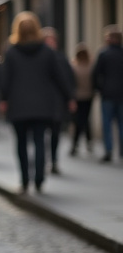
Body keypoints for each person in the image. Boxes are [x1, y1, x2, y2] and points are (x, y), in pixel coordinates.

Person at [0, 12, 74, 194]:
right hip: (42, 106)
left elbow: (5, 80)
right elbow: (60, 77)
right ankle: (39, 179)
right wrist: (69, 97)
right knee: (40, 141)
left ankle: (25, 180)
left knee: (21, 143)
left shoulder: (11, 52)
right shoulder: (47, 51)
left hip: (18, 106)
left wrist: (3, 99)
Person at [41, 27, 74, 174]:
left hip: (57, 103)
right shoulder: (38, 59)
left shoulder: (61, 59)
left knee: (55, 134)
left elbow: (67, 80)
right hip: (41, 103)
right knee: (40, 134)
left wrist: (70, 98)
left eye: (52, 41)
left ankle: (53, 160)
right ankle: (41, 160)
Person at [92, 24, 123, 163]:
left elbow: (96, 74)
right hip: (120, 95)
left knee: (107, 124)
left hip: (108, 94)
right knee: (121, 124)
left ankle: (109, 151)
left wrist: (99, 88)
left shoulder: (104, 53)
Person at [70, 44, 95, 156]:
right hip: (88, 96)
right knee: (85, 119)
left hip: (78, 96)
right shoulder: (91, 66)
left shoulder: (74, 67)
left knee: (78, 120)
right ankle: (88, 141)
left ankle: (75, 144)